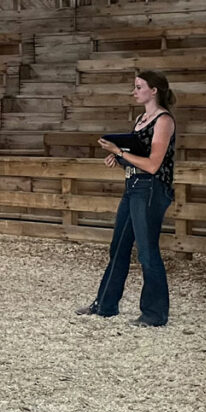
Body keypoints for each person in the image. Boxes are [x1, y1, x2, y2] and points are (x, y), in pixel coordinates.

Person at [76, 70, 177, 327]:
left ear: (154, 90)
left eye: (139, 86)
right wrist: (119, 158)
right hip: (133, 185)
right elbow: (137, 159)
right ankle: (105, 304)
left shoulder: (163, 121)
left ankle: (155, 314)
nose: (135, 91)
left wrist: (119, 150)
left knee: (146, 251)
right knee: (118, 247)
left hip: (151, 189)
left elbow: (154, 165)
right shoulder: (141, 119)